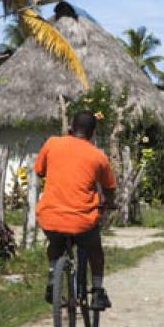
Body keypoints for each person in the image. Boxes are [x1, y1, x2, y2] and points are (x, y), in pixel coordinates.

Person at [34, 110, 117, 310]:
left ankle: (53, 277)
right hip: (82, 220)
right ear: (93, 133)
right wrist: (109, 203)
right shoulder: (98, 157)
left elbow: (39, 170)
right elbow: (109, 188)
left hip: (50, 216)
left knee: (55, 242)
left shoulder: (52, 143)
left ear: (70, 128)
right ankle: (97, 290)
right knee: (94, 248)